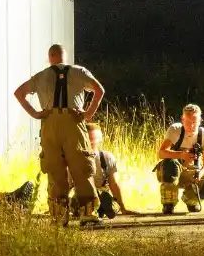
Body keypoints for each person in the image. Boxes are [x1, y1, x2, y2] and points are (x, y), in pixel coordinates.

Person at [14, 43, 106, 226]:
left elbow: (19, 93)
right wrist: (87, 114)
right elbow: (99, 91)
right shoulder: (80, 72)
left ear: (50, 58)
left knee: (55, 169)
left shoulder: (41, 76)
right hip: (73, 120)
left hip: (49, 122)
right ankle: (87, 213)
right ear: (65, 57)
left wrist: (36, 113)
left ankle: (58, 215)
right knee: (82, 166)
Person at [154, 104, 204, 214]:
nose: (192, 125)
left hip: (193, 172)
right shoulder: (175, 130)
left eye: (195, 122)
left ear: (200, 121)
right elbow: (161, 153)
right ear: (182, 120)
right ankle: (169, 203)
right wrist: (181, 155)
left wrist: (200, 174)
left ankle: (190, 200)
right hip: (172, 171)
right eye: (188, 121)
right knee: (171, 164)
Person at [85, 122, 136, 218]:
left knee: (107, 201)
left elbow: (114, 184)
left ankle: (95, 208)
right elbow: (114, 184)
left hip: (96, 197)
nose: (92, 143)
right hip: (86, 197)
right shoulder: (106, 156)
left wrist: (122, 207)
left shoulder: (106, 157)